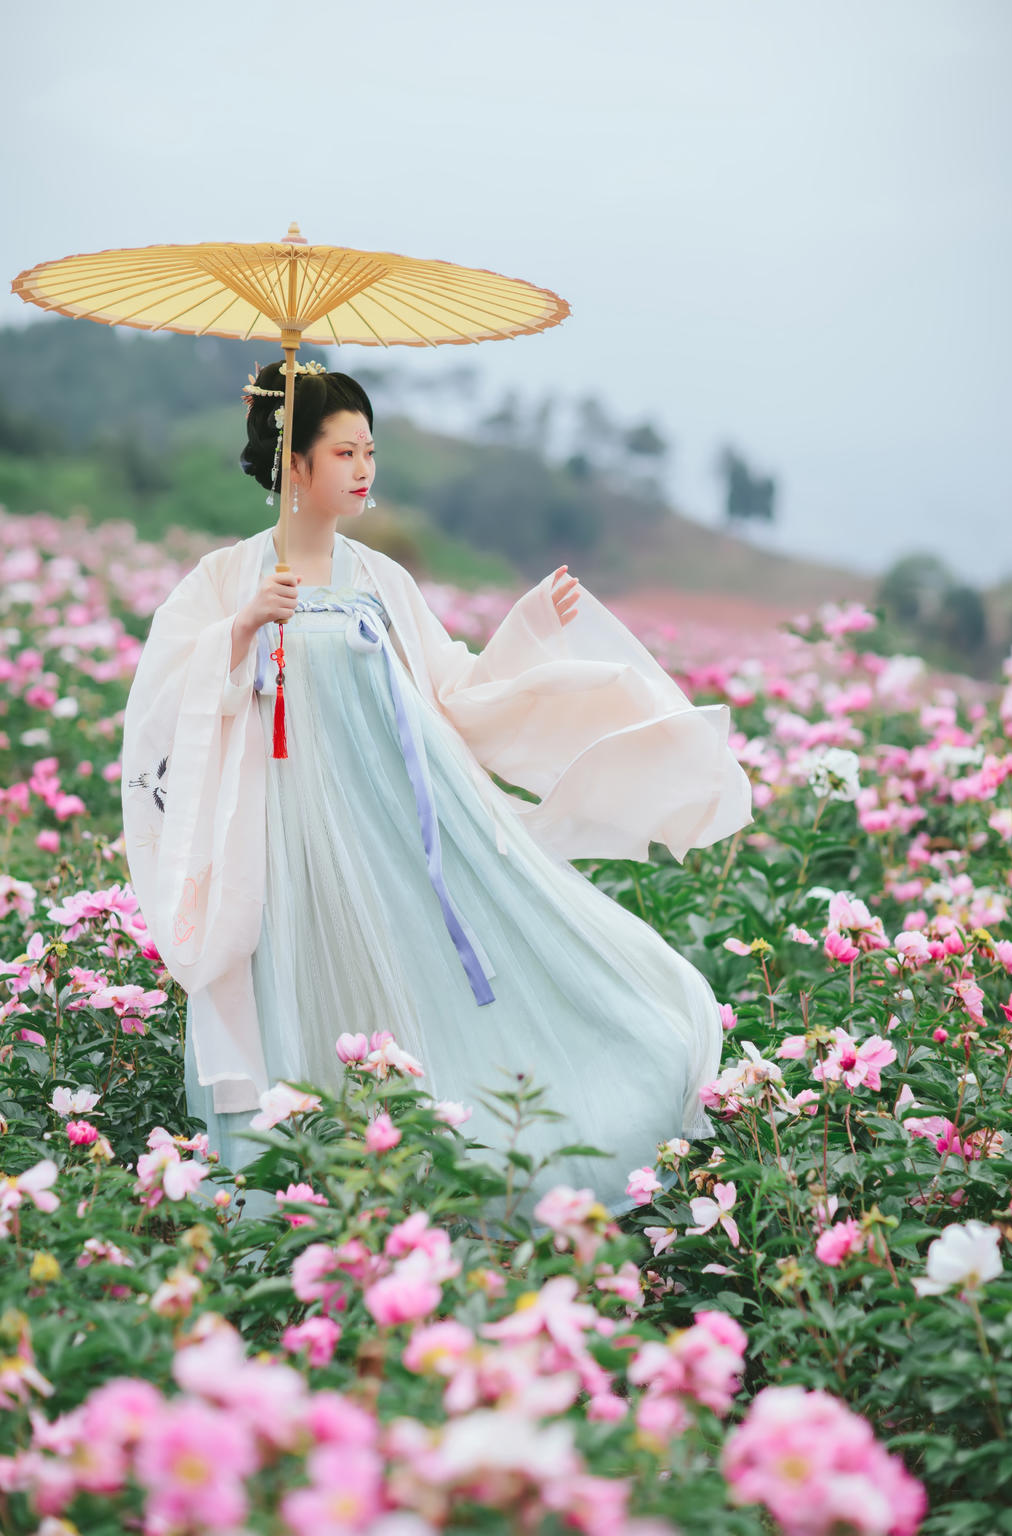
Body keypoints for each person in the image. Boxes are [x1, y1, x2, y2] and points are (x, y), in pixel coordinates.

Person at [121, 361, 752, 1220]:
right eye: (342, 451)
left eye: (369, 450)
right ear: (292, 465)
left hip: (384, 833)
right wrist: (237, 631)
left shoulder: (380, 581)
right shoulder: (226, 580)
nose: (363, 468)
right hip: (277, 843)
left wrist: (527, 628)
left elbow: (453, 691)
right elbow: (162, 707)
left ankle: (430, 1163)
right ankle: (300, 1185)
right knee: (296, 991)